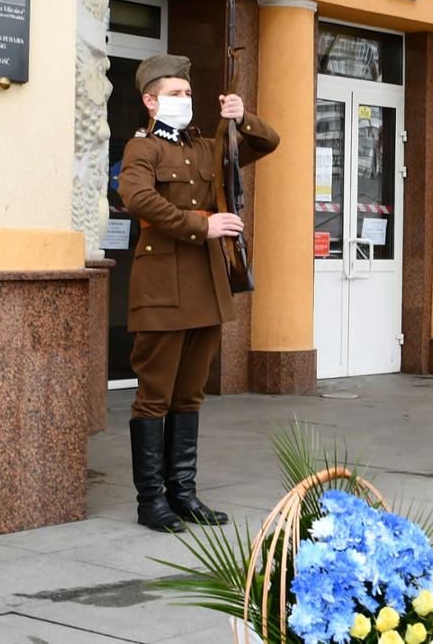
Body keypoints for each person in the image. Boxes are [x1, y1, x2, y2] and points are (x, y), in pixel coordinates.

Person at [118, 54, 278, 533]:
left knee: (190, 395)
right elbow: (137, 198)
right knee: (155, 396)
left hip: (207, 288)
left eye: (187, 94)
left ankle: (183, 494)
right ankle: (152, 501)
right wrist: (201, 225)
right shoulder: (141, 148)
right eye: (173, 94)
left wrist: (239, 115)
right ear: (150, 100)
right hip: (162, 288)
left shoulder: (208, 146)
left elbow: (267, 142)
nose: (183, 100)